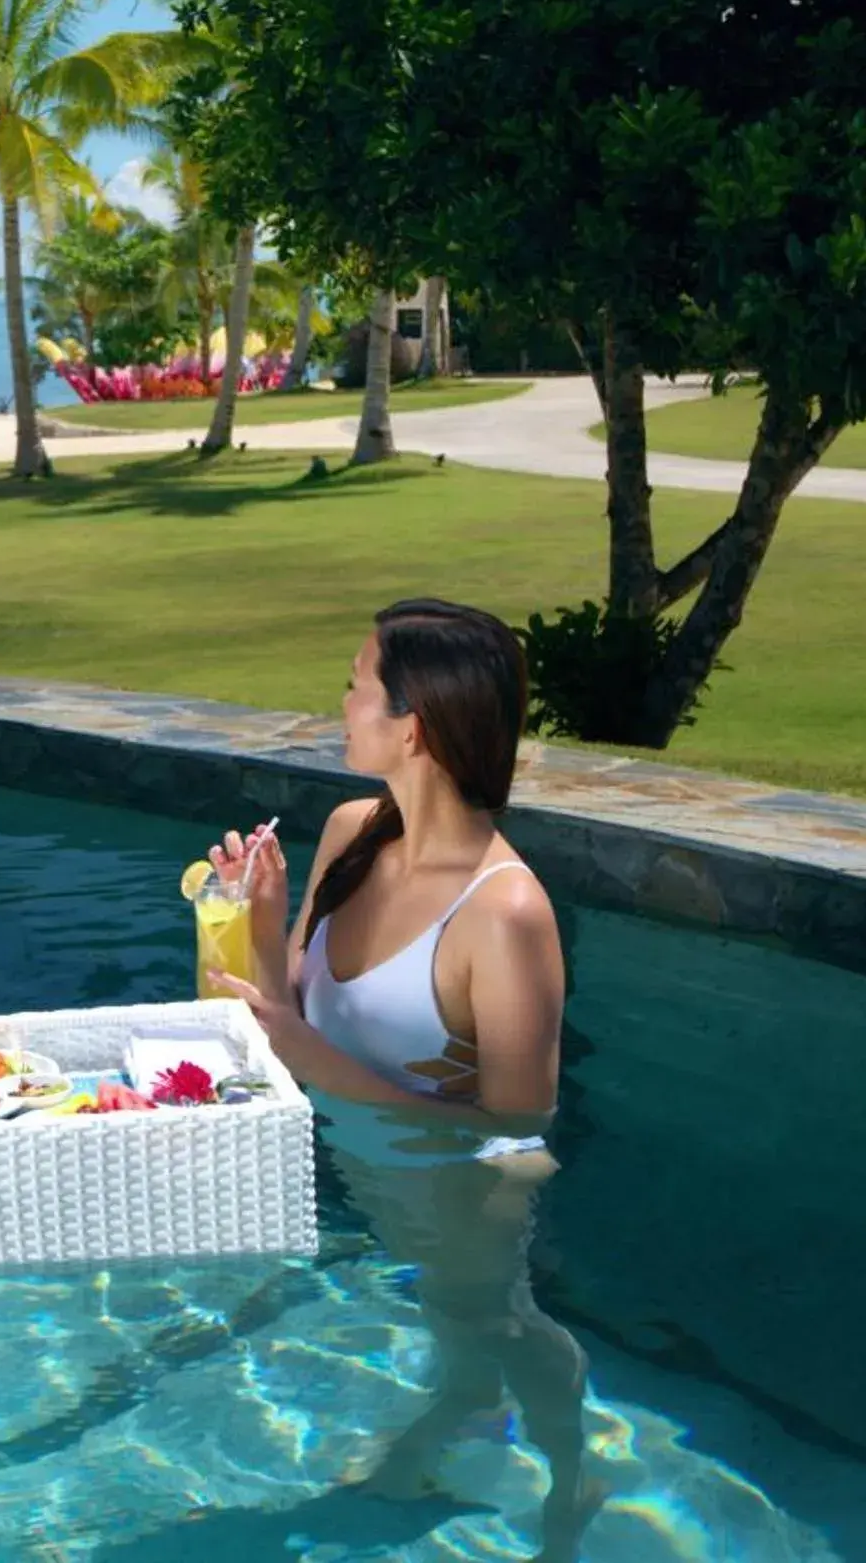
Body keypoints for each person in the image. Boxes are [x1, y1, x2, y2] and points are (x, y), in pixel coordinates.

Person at [207, 598, 600, 1557]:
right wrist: (250, 919)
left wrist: (318, 1066)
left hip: (463, 1182)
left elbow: (516, 1126)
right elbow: (278, 1024)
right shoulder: (350, 832)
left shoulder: (503, 913)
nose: (339, 701)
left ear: (411, 725)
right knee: (448, 1316)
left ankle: (575, 1470)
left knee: (492, 1314)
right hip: (365, 1155)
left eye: (354, 683)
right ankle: (461, 1408)